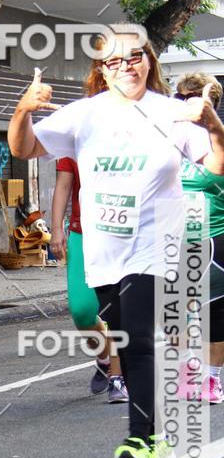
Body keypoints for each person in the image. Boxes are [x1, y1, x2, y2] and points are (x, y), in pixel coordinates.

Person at [8, 28, 224, 458]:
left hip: (155, 243)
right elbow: (23, 147)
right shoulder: (84, 115)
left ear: (149, 61)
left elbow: (215, 167)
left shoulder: (172, 113)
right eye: (115, 61)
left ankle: (141, 439)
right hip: (104, 249)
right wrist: (24, 110)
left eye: (135, 57)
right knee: (124, 335)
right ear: (102, 70)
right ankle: (158, 437)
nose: (127, 66)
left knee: (139, 338)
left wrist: (215, 129)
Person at [51, 157, 128, 403]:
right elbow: (63, 185)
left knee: (116, 309)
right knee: (82, 311)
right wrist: (56, 228)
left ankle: (118, 378)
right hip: (81, 233)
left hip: (122, 234)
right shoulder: (75, 136)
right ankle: (104, 357)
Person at [176, 73, 224, 404]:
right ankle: (188, 371)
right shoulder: (168, 139)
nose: (188, 101)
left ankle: (212, 379)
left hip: (214, 238)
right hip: (172, 238)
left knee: (214, 311)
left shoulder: (217, 139)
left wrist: (212, 126)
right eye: (182, 97)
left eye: (195, 95)